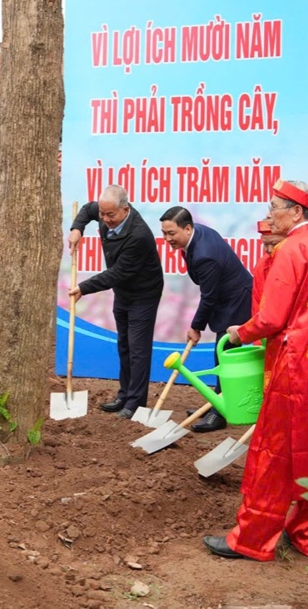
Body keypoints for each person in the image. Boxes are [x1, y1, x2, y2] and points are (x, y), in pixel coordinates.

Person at [205, 180, 308, 562]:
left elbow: (271, 318)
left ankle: (252, 539)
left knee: (273, 454)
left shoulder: (292, 249)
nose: (269, 212)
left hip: (296, 368)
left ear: (296, 212)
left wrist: (239, 332)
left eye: (275, 206)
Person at [67, 185, 164, 419]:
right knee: (124, 344)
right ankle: (124, 394)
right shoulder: (103, 212)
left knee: (138, 349)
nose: (105, 219)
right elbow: (86, 211)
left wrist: (84, 287)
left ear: (125, 210)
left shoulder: (138, 235)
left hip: (144, 293)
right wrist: (76, 229)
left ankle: (135, 402)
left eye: (111, 215)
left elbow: (117, 273)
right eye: (103, 214)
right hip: (124, 292)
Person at [159, 206, 253, 433]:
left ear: (188, 228)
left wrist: (196, 327)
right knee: (223, 358)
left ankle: (218, 413)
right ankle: (217, 404)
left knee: (224, 358)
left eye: (171, 233)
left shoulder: (205, 255)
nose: (167, 238)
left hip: (236, 303)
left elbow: (208, 297)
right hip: (227, 298)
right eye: (164, 233)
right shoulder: (196, 236)